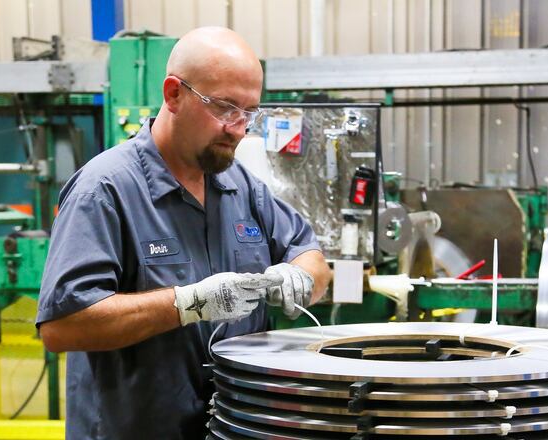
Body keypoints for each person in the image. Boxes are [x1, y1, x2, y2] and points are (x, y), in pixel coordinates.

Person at [35, 27, 330, 439]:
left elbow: (310, 255)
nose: (239, 128)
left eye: (250, 112)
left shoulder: (241, 187)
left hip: (232, 428)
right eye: (226, 108)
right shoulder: (105, 190)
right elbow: (62, 326)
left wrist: (300, 277)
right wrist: (188, 303)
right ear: (173, 94)